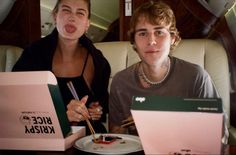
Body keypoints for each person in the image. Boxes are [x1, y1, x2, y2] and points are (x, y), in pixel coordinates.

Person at [108, 1, 222, 135]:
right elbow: (115, 134)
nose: (151, 41)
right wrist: (121, 128)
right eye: (143, 33)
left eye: (159, 32)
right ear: (134, 41)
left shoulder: (197, 78)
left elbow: (217, 134)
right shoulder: (120, 82)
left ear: (173, 38)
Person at [12, 0, 111, 135]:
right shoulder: (33, 54)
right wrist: (63, 117)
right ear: (55, 15)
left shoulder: (98, 61)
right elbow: (17, 104)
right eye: (66, 10)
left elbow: (102, 103)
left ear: (87, 24)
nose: (72, 17)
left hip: (88, 138)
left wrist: (97, 110)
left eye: (80, 13)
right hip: (42, 135)